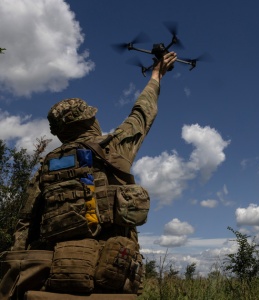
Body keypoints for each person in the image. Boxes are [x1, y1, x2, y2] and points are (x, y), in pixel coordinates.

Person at [0, 52, 178, 300]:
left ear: (61, 132)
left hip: (59, 275)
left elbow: (25, 225)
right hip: (113, 272)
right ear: (89, 119)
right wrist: (157, 75)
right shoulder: (114, 148)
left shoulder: (46, 167)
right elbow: (142, 113)